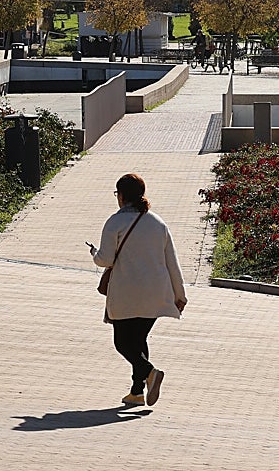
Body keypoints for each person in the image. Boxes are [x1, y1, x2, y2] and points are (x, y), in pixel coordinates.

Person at [91, 173, 187, 407]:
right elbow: (171, 261)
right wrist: (179, 295)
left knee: (123, 343)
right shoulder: (158, 223)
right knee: (139, 340)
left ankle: (150, 372)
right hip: (156, 294)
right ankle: (137, 392)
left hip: (127, 293)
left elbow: (105, 259)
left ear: (121, 196)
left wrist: (94, 254)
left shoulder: (115, 222)